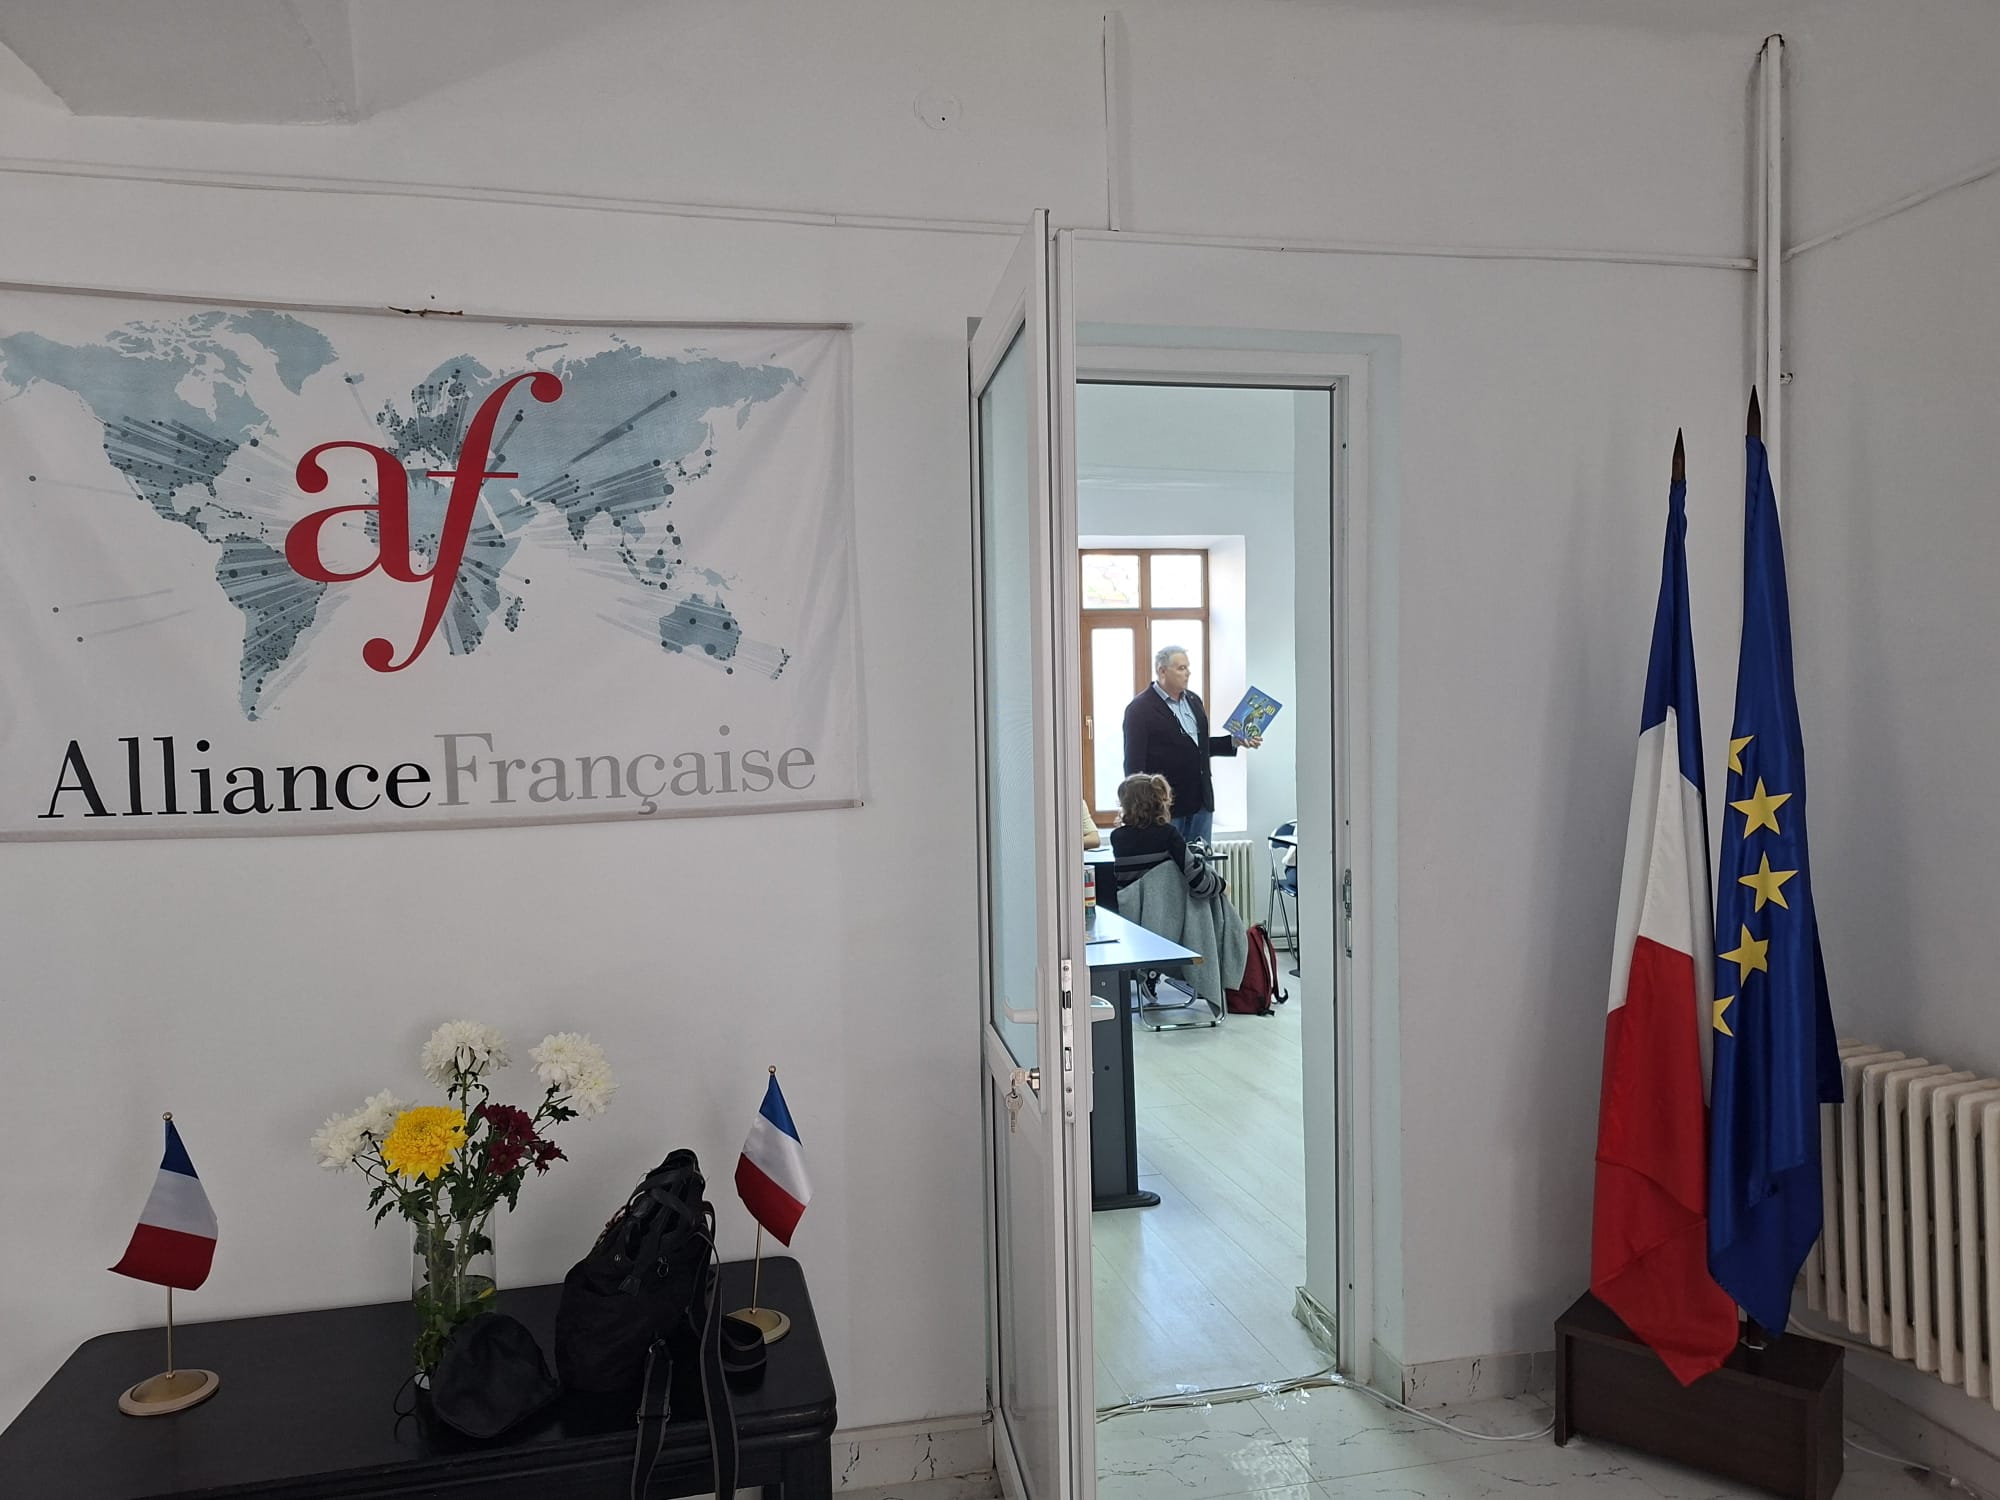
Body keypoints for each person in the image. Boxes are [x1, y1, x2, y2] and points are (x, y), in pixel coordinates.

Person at [1120, 645, 1259, 846]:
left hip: (1201, 803)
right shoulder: (1140, 709)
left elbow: (1198, 748)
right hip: (1166, 808)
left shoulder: (1194, 701)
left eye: (1188, 667)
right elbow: (1134, 765)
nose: (1188, 673)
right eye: (1181, 668)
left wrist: (1233, 741)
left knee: (1201, 863)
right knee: (1170, 863)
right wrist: (1137, 808)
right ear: (1162, 671)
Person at [1107, 774, 1224, 904]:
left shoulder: (1117, 837)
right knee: (1212, 893)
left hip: (1128, 909)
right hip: (1163, 910)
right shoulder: (1167, 834)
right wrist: (1223, 886)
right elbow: (1198, 882)